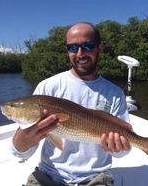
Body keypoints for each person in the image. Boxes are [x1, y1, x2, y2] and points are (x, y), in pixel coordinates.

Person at [11, 22, 131, 186]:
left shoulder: (115, 94)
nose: (80, 53)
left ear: (99, 48)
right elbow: (21, 153)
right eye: (73, 48)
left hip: (95, 178)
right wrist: (22, 141)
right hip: (48, 175)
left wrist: (118, 148)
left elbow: (121, 153)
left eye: (87, 46)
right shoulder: (47, 87)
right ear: (67, 50)